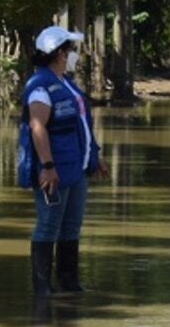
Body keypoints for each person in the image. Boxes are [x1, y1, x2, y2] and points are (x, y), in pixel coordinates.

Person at [19, 25, 108, 297]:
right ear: (59, 53)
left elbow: (81, 124)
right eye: (70, 50)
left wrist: (95, 157)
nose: (73, 55)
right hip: (54, 170)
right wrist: (47, 166)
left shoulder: (67, 83)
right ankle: (43, 287)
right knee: (48, 224)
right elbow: (37, 127)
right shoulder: (39, 86)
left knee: (71, 226)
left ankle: (69, 283)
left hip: (77, 169)